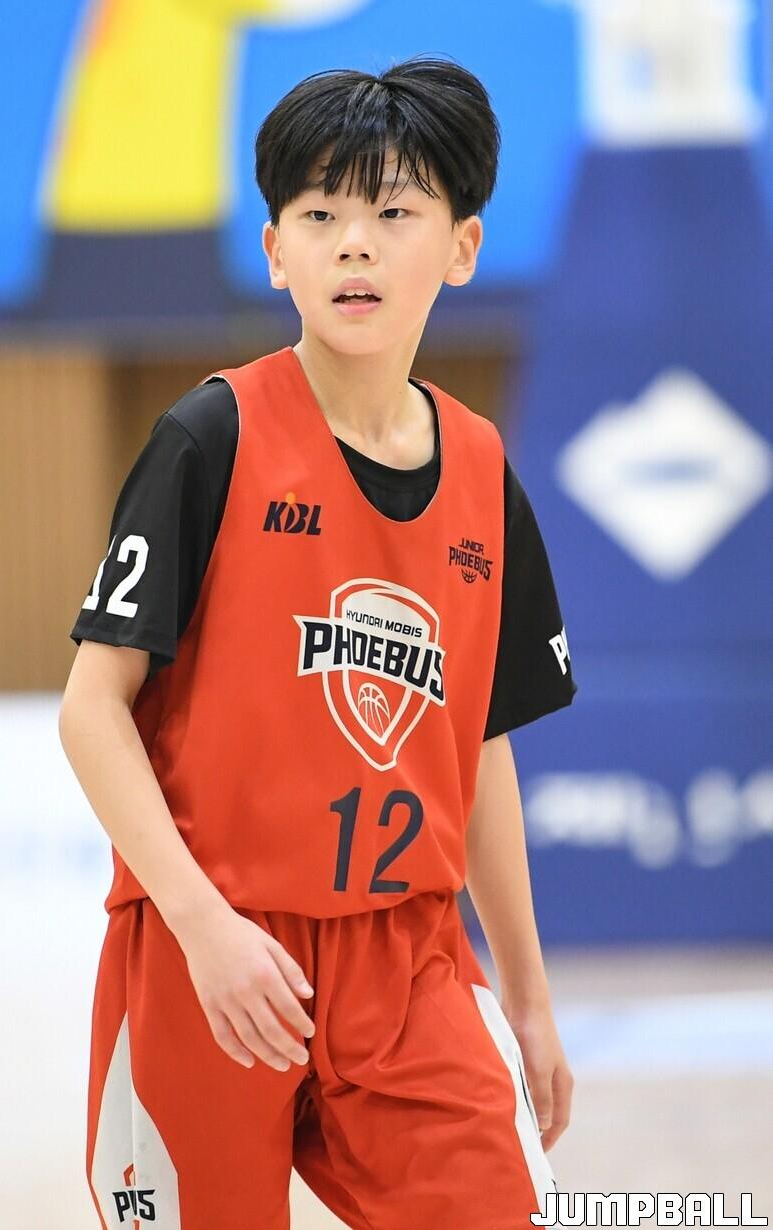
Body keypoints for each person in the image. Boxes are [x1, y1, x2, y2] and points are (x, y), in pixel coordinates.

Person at [60, 55, 577, 1230]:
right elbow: (91, 710)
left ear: (461, 247)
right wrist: (202, 927)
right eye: (319, 215)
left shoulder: (483, 471)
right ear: (274, 250)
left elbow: (478, 745)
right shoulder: (209, 435)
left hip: (408, 964)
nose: (354, 246)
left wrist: (530, 998)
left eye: (393, 213)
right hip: (208, 950)